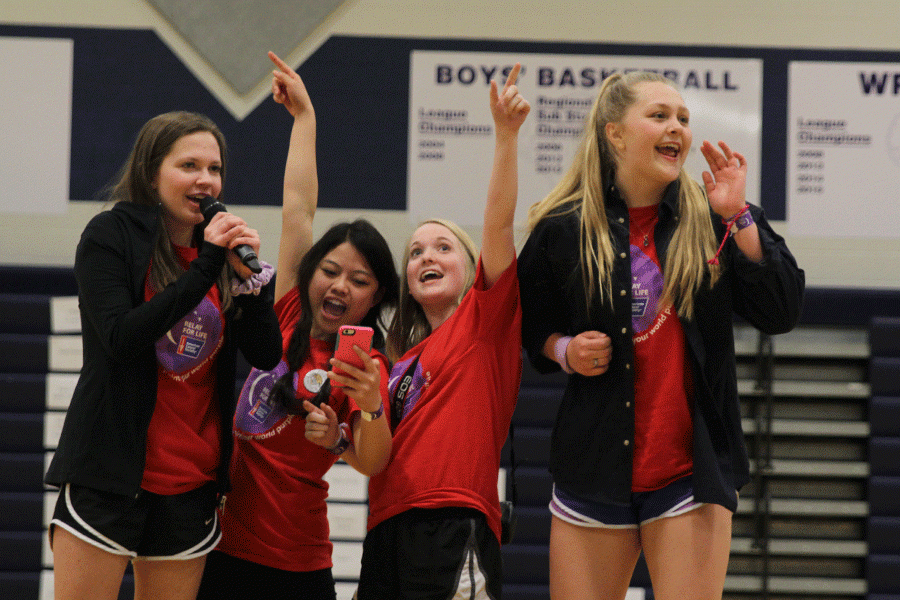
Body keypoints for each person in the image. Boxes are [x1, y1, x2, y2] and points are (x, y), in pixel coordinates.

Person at [517, 70, 805, 600]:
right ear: (615, 134)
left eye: (684, 119)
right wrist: (564, 350)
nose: (677, 128)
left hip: (690, 473)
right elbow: (529, 328)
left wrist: (740, 215)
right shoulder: (563, 227)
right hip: (593, 468)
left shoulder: (716, 216)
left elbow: (780, 310)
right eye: (659, 115)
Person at [44, 111, 283, 600]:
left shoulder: (220, 254)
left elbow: (266, 354)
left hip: (190, 484)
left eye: (214, 169)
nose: (205, 180)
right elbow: (122, 336)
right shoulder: (111, 236)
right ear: (152, 173)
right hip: (110, 473)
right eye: (188, 165)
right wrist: (208, 266)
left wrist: (253, 286)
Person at [196, 52, 398, 600]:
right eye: (330, 271)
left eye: (359, 281)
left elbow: (373, 459)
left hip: (296, 563)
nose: (339, 287)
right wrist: (304, 119)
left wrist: (348, 427)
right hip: (220, 546)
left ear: (376, 297)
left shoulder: (365, 365)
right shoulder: (284, 313)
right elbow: (298, 210)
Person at [355, 63, 530, 600]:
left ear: (470, 264)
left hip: (455, 521)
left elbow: (498, 223)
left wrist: (505, 138)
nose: (426, 255)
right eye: (415, 252)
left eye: (442, 247)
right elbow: (370, 450)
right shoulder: (392, 360)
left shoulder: (486, 319)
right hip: (385, 528)